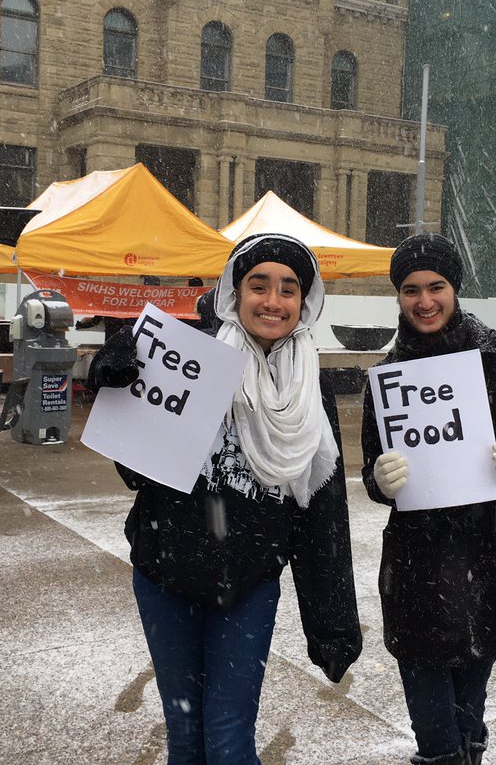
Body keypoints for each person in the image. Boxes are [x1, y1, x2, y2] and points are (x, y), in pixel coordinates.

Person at [87, 233, 361, 765]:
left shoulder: (310, 388)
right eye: (258, 285)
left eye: (288, 289)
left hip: (250, 584)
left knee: (231, 740)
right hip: (167, 573)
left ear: (304, 302)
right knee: (186, 739)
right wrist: (118, 367)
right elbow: (134, 472)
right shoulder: (191, 355)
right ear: (235, 293)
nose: (273, 301)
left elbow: (322, 512)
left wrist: (332, 620)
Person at [361, 232, 496, 765]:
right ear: (397, 296)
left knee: (471, 696)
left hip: (488, 548)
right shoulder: (386, 376)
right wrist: (381, 477)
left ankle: (467, 751)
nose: (424, 301)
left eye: (436, 286)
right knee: (431, 705)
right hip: (418, 560)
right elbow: (370, 473)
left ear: (455, 287)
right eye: (410, 290)